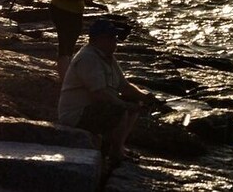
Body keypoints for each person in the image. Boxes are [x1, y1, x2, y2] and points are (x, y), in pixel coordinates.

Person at [58, 19, 159, 166]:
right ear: (99, 40)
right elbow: (99, 93)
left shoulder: (107, 56)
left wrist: (145, 96)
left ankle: (119, 147)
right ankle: (115, 153)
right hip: (76, 115)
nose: (115, 41)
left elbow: (124, 86)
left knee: (133, 102)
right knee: (120, 109)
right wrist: (124, 105)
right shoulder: (88, 58)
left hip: (93, 107)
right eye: (111, 38)